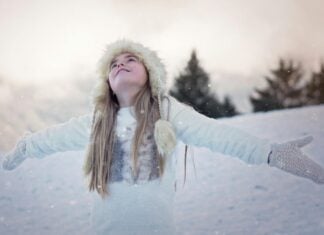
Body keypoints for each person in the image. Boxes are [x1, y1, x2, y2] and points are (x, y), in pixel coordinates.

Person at [2, 39, 324, 235]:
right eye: (113, 64)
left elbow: (217, 134)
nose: (121, 65)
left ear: (150, 73)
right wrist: (27, 146)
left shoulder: (168, 112)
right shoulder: (97, 122)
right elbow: (52, 138)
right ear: (107, 83)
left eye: (130, 60)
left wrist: (270, 152)